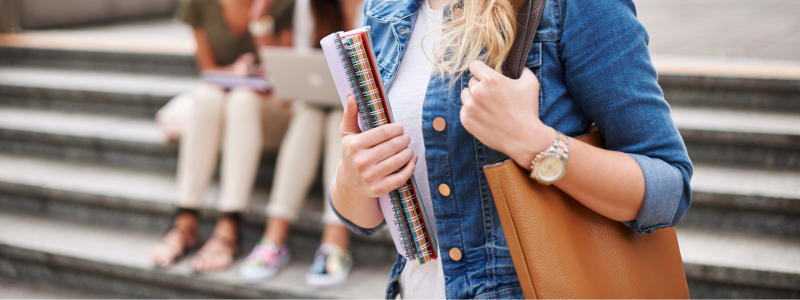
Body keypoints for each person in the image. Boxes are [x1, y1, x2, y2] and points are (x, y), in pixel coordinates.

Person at [329, 0, 694, 298]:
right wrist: (352, 179)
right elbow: (366, 218)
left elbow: (668, 187)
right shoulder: (383, 9)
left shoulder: (570, 7)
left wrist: (534, 142)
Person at [150, 0, 295, 272]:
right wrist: (235, 72)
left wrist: (260, 18)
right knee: (206, 96)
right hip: (223, 101)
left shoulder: (280, 4)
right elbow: (207, 69)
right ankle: (186, 218)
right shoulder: (199, 4)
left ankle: (231, 221)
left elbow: (282, 74)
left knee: (241, 99)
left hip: (271, 110)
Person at [238, 0, 364, 289]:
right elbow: (303, 66)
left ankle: (336, 240)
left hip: (366, 109)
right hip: (316, 104)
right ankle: (274, 238)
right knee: (311, 112)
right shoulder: (311, 4)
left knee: (339, 118)